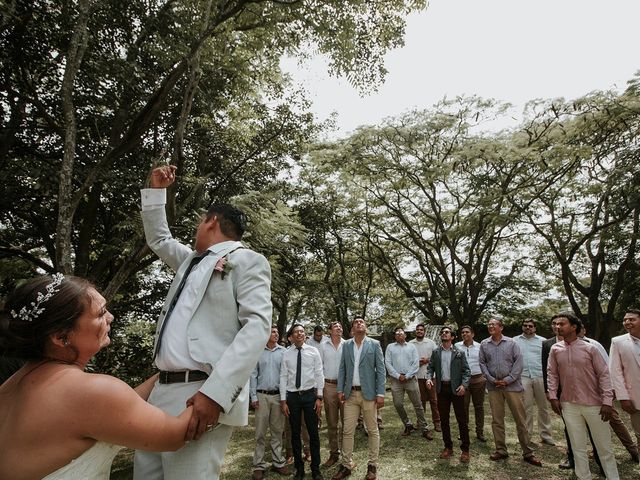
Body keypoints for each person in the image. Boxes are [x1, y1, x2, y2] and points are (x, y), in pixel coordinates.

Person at [134, 165, 273, 480]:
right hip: (160, 390)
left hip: (200, 393)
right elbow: (159, 238)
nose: (197, 226)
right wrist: (156, 191)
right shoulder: (188, 262)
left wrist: (216, 394)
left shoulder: (248, 261)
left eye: (200, 221)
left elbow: (256, 329)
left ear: (211, 221)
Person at [0, 274, 191, 480]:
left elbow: (115, 410)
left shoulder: (9, 389)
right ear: (61, 336)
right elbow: (175, 436)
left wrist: (165, 376)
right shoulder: (90, 393)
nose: (110, 317)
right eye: (100, 314)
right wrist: (215, 389)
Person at [547, 312, 620, 480]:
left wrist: (607, 402)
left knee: (604, 448)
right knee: (577, 446)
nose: (557, 327)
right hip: (568, 405)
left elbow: (604, 375)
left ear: (574, 327)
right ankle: (583, 477)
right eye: (556, 324)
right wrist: (553, 396)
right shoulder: (555, 349)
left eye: (562, 324)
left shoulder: (590, 348)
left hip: (595, 405)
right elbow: (552, 374)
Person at [479, 318, 542, 466]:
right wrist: (491, 379)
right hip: (494, 387)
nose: (490, 326)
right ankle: (501, 450)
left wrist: (508, 379)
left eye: (493, 324)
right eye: (489, 324)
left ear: (501, 327)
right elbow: (482, 363)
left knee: (521, 420)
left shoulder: (512, 343)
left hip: (512, 387)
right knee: (497, 420)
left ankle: (527, 452)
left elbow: (519, 363)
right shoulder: (484, 344)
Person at [332, 315, 386, 480]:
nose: (359, 323)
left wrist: (381, 393)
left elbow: (381, 370)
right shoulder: (347, 345)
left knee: (372, 430)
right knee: (347, 431)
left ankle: (372, 466)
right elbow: (342, 369)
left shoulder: (374, 344)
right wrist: (340, 389)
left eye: (361, 321)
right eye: (356, 322)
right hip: (350, 395)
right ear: (352, 328)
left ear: (366, 326)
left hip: (369, 395)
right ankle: (346, 465)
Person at [579, 325, 639, 463]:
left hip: (598, 391)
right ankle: (595, 452)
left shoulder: (593, 345)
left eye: (581, 329)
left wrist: (609, 391)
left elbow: (608, 367)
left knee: (614, 420)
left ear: (583, 330)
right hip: (579, 393)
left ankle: (633, 450)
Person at [280, 323, 325, 480]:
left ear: (305, 335)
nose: (299, 334)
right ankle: (299, 469)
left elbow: (319, 374)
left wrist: (319, 397)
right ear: (291, 337)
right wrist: (283, 400)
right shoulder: (286, 353)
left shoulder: (313, 352)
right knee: (294, 434)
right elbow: (283, 377)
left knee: (313, 434)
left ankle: (315, 470)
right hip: (292, 397)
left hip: (310, 397)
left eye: (302, 331)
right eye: (296, 332)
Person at [426, 326, 471, 463]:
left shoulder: (459, 353)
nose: (444, 334)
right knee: (444, 420)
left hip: (457, 389)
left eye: (447, 332)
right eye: (443, 332)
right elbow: (430, 368)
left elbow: (466, 371)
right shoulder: (436, 352)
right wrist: (428, 378)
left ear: (452, 337)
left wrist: (464, 385)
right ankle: (448, 447)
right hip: (442, 390)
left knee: (461, 420)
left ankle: (465, 450)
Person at [250, 326, 288, 480]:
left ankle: (278, 462)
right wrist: (253, 396)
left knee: (277, 431)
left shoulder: (284, 352)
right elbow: (253, 375)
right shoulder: (258, 351)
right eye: (273, 332)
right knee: (260, 433)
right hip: (262, 396)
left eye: (277, 332)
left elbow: (286, 374)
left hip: (278, 397)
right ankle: (258, 465)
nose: (276, 334)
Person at [384, 327, 433, 440]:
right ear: (395, 336)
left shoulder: (411, 347)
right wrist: (398, 376)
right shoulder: (390, 347)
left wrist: (407, 376)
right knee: (398, 404)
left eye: (401, 333)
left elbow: (416, 363)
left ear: (405, 335)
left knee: (418, 405)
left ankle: (424, 427)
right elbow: (388, 363)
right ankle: (408, 424)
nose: (399, 335)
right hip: (396, 380)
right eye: (397, 333)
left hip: (410, 379)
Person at [514, 319, 554, 447]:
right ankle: (527, 435)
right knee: (526, 408)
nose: (527, 328)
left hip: (540, 376)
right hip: (523, 376)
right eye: (525, 325)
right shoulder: (514, 341)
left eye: (530, 326)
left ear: (535, 328)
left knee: (543, 407)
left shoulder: (543, 341)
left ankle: (546, 435)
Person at [610, 308, 640, 461]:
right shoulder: (618, 342)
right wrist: (623, 397)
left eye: (632, 319)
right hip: (635, 398)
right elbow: (615, 371)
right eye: (625, 320)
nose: (627, 322)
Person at [319, 321, 345, 467]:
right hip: (328, 386)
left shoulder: (348, 344)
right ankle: (334, 454)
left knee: (347, 423)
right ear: (330, 330)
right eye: (335, 326)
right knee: (332, 422)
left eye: (340, 326)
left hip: (345, 387)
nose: (339, 328)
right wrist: (321, 389)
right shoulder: (323, 346)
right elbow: (319, 367)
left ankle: (347, 455)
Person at [455, 325, 487, 442]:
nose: (465, 334)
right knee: (463, 407)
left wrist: (484, 377)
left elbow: (485, 361)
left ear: (472, 334)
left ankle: (480, 432)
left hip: (478, 379)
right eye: (463, 332)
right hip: (463, 381)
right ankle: (464, 431)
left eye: (467, 332)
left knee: (479, 407)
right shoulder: (457, 346)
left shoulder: (480, 346)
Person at [409, 323, 441, 432]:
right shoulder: (410, 344)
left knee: (434, 400)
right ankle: (421, 422)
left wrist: (428, 360)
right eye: (417, 330)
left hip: (430, 376)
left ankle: (437, 422)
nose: (419, 331)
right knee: (420, 401)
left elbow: (437, 357)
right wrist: (417, 362)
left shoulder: (431, 343)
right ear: (415, 332)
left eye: (421, 330)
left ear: (424, 332)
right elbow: (408, 360)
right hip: (416, 376)